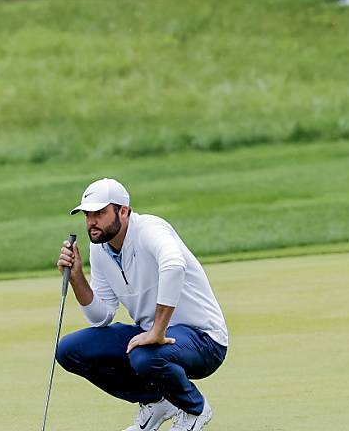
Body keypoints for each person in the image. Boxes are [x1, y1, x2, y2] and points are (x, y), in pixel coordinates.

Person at [55, 179, 227, 431]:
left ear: (123, 211)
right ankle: (157, 402)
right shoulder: (101, 248)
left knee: (144, 356)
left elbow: (173, 266)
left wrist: (157, 331)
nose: (92, 221)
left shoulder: (150, 229)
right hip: (152, 338)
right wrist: (77, 277)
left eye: (100, 213)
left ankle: (195, 410)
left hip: (204, 340)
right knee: (70, 350)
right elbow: (101, 317)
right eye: (88, 214)